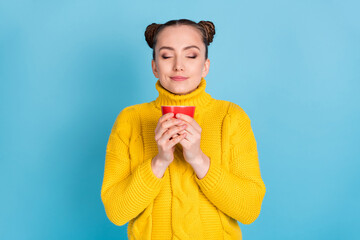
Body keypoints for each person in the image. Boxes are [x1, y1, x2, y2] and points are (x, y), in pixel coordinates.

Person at [100, 19, 266, 240]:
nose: (179, 65)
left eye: (191, 55)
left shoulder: (231, 117)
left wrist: (198, 159)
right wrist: (159, 161)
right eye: (167, 56)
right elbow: (117, 213)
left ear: (205, 66)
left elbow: (249, 210)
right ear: (154, 67)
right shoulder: (130, 119)